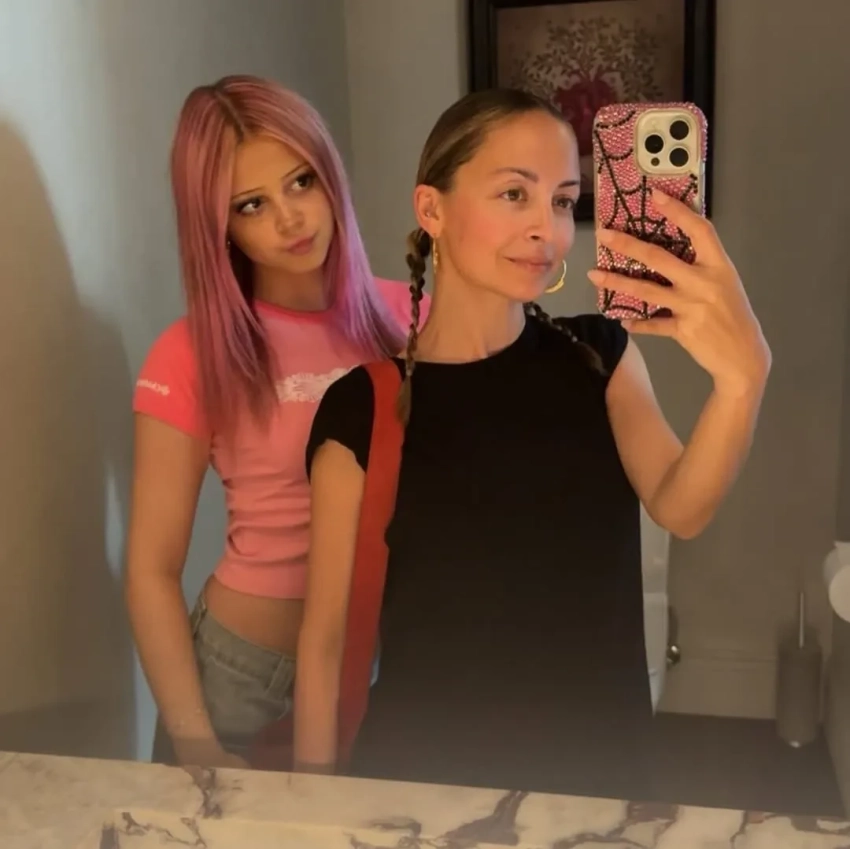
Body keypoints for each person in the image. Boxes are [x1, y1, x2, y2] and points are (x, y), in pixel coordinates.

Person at [294, 88, 770, 800]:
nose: (547, 228)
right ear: (431, 210)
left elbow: (683, 506)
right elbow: (325, 640)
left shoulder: (599, 355)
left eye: (562, 200)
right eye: (514, 194)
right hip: (425, 789)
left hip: (597, 778)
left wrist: (743, 381)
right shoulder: (362, 406)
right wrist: (309, 808)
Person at [125, 75, 427, 769]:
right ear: (219, 225)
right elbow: (151, 569)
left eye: (301, 181)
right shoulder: (191, 353)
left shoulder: (413, 321)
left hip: (377, 663)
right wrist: (194, 740)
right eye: (252, 204)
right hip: (239, 678)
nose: (291, 219)